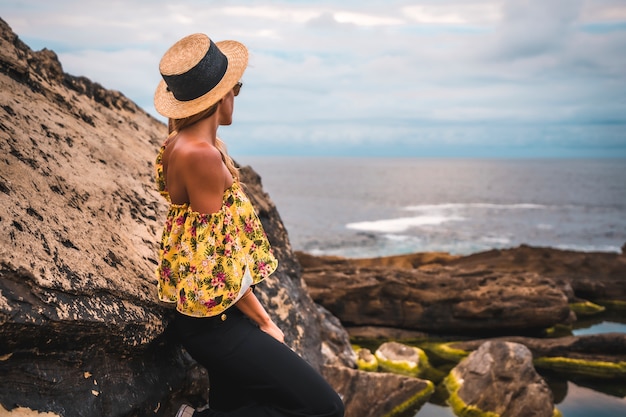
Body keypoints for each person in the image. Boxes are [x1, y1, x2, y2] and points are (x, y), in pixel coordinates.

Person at [153, 33, 345, 417]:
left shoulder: (177, 144)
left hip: (213, 313)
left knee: (239, 405)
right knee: (325, 408)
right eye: (236, 89)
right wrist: (266, 321)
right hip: (216, 321)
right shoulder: (202, 155)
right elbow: (215, 261)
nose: (236, 96)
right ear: (220, 97)